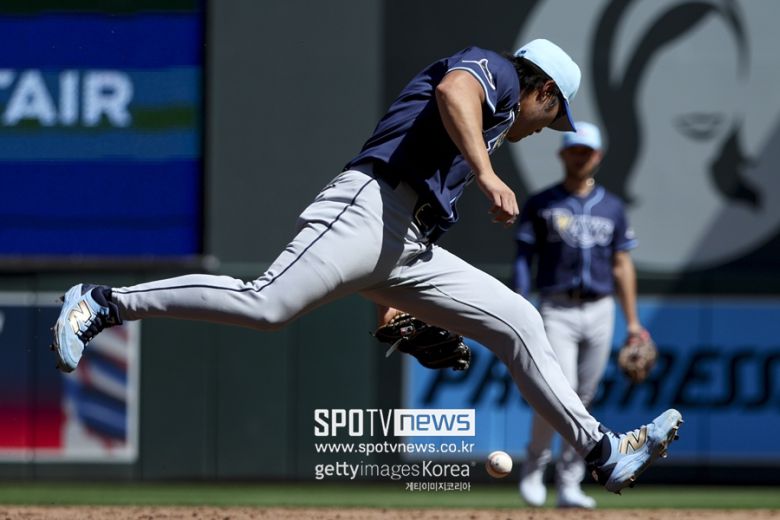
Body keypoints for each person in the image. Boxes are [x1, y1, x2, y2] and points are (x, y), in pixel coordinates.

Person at [51, 39, 681, 494]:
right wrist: (488, 175)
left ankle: (603, 450)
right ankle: (105, 302)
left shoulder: (495, 120)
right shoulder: (496, 72)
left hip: (408, 240)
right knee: (266, 304)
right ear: (543, 90)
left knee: (519, 321)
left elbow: (400, 241)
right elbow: (453, 89)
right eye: (555, 114)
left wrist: (390, 315)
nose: (549, 128)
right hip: (371, 205)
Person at [513, 121, 647, 508]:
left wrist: (633, 322)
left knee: (584, 397)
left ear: (598, 156)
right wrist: (519, 302)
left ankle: (570, 483)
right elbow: (523, 258)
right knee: (560, 389)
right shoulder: (543, 202)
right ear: (562, 154)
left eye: (586, 152)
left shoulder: (612, 207)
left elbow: (622, 265)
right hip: (557, 306)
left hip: (600, 307)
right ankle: (535, 465)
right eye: (574, 150)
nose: (580, 157)